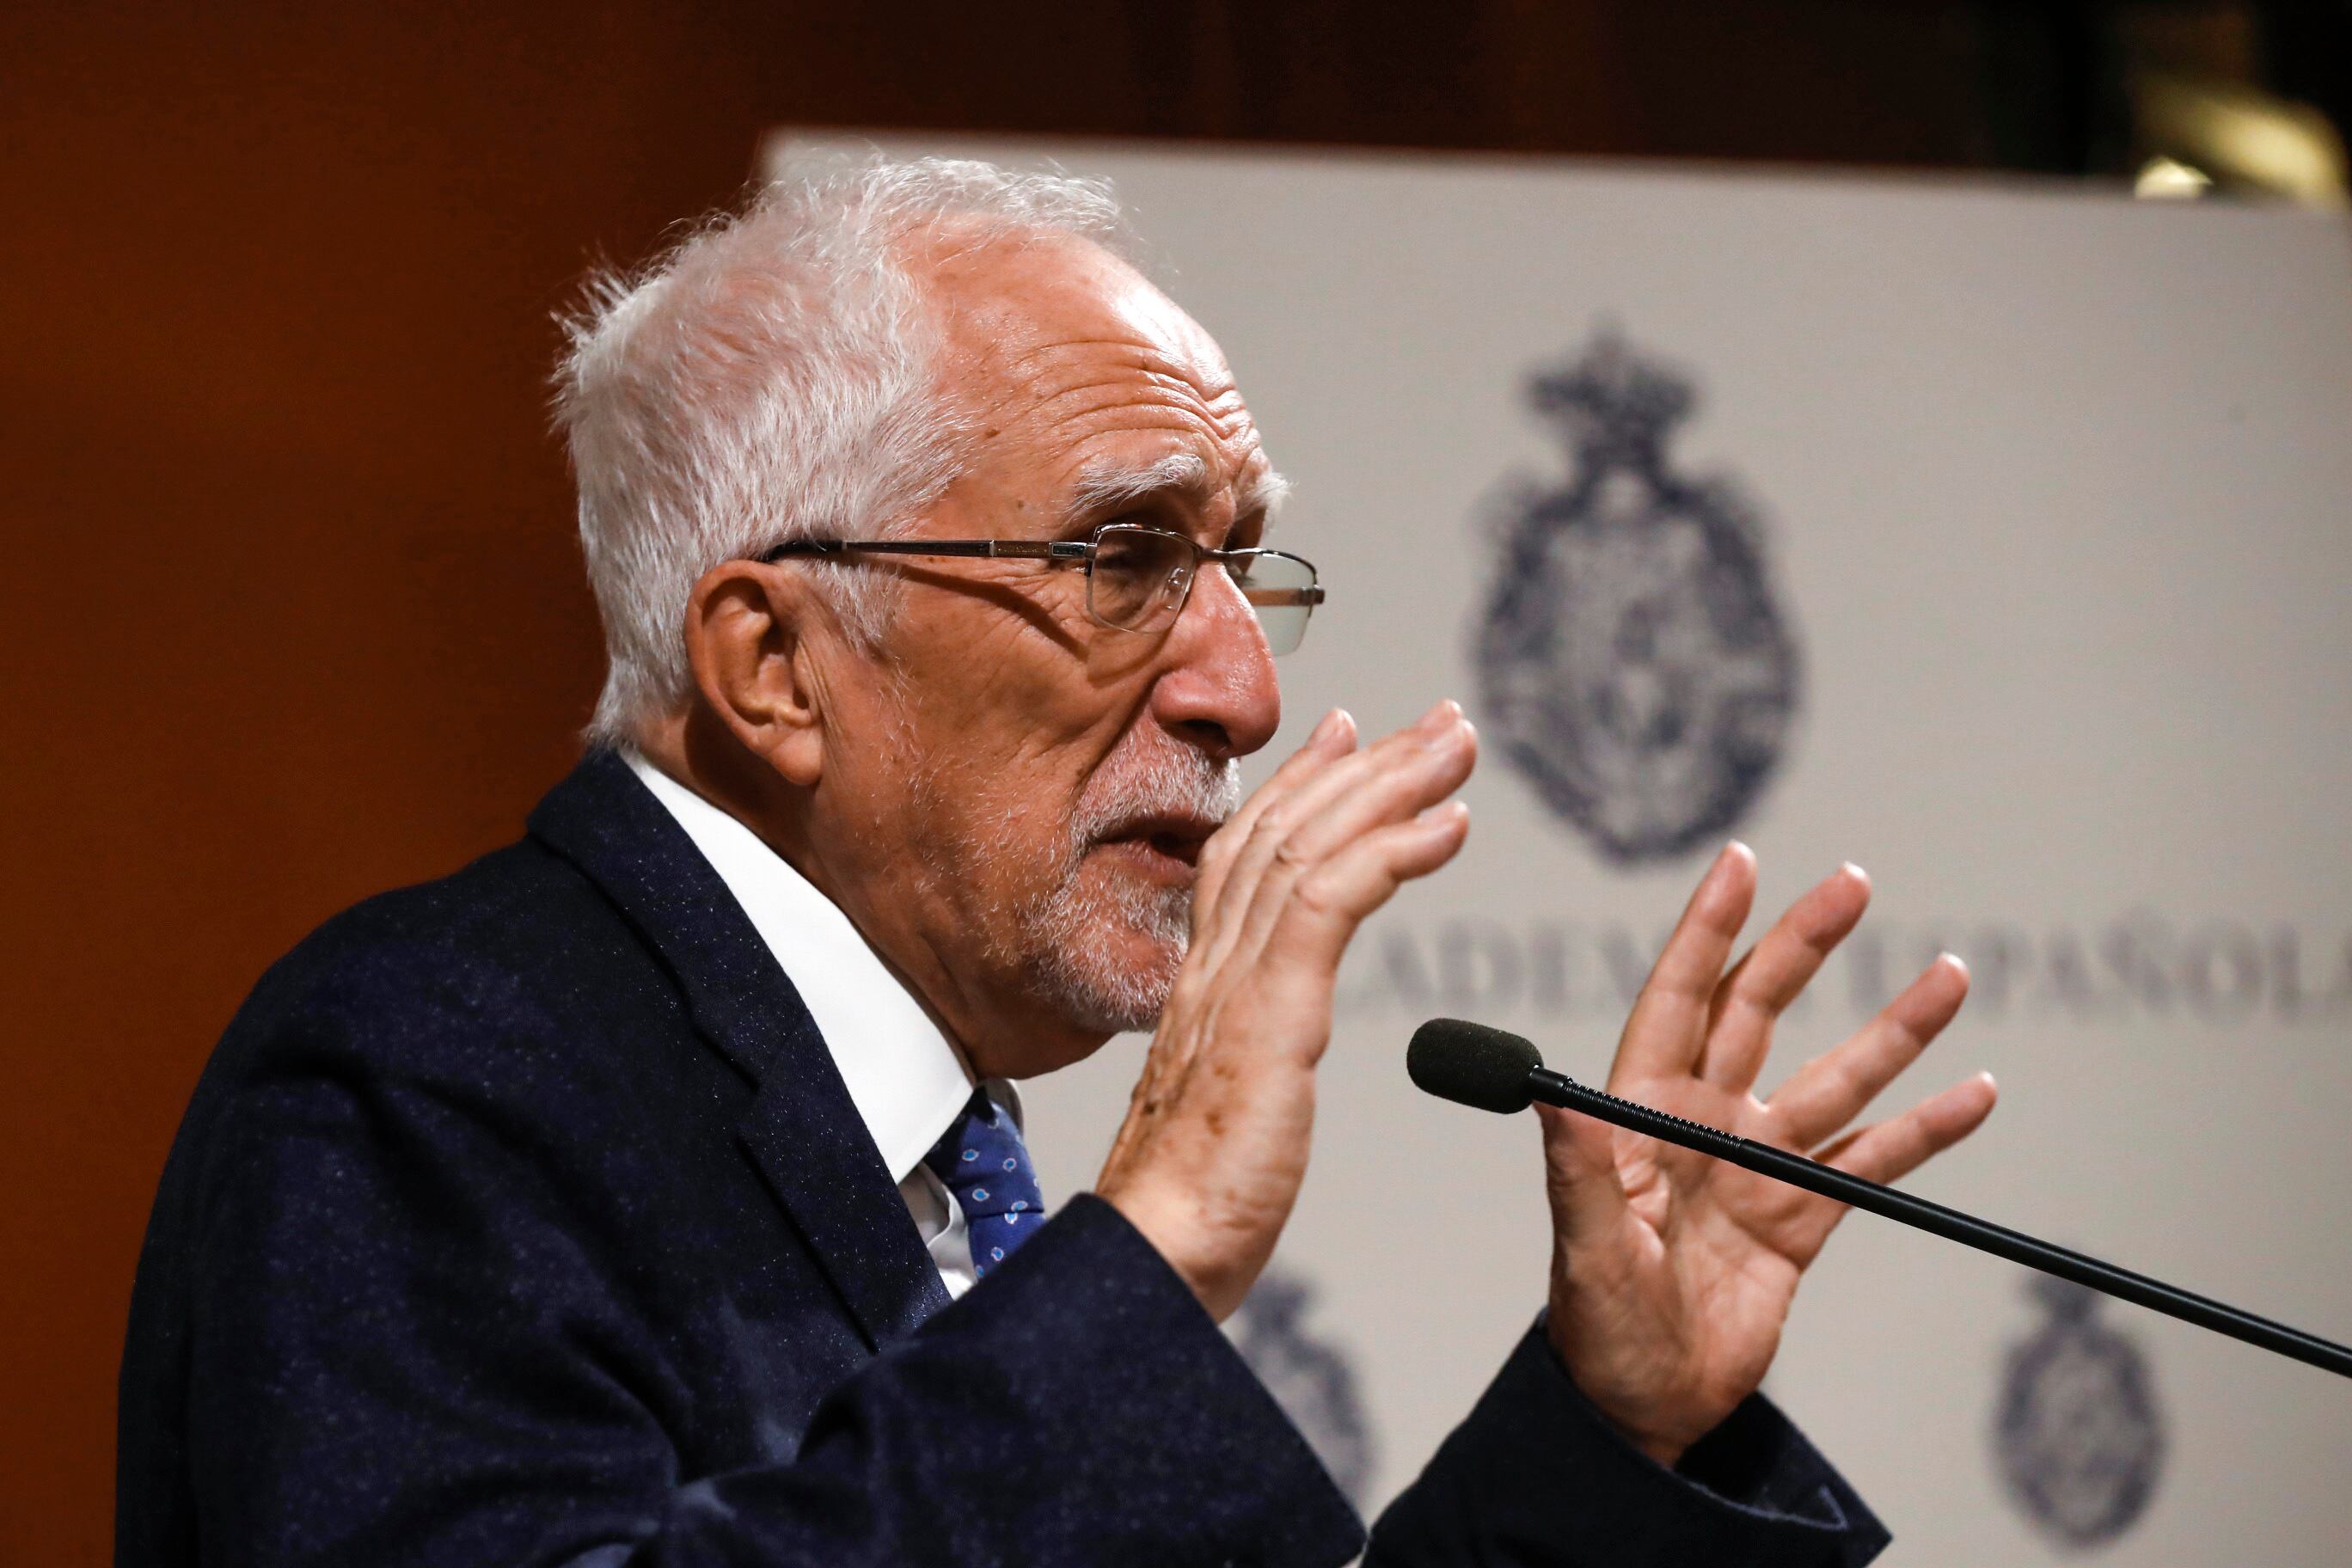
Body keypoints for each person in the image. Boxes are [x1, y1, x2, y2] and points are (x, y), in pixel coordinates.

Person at [116, 157, 1997, 1566]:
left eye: (1243, 564)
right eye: (1122, 564)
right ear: (775, 665)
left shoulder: (954, 1158)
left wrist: (1617, 1428)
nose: (1245, 692)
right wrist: (1157, 1241)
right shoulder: (427, 1076)